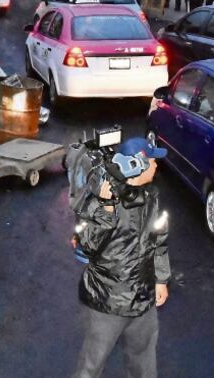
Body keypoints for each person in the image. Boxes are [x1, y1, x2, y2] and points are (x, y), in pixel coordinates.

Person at [71, 139, 171, 378]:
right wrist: (106, 211)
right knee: (90, 367)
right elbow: (87, 245)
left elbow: (159, 241)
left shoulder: (151, 197)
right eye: (152, 159)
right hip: (107, 303)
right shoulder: (100, 198)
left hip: (143, 300)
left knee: (144, 366)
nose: (157, 163)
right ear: (136, 165)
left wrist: (161, 280)